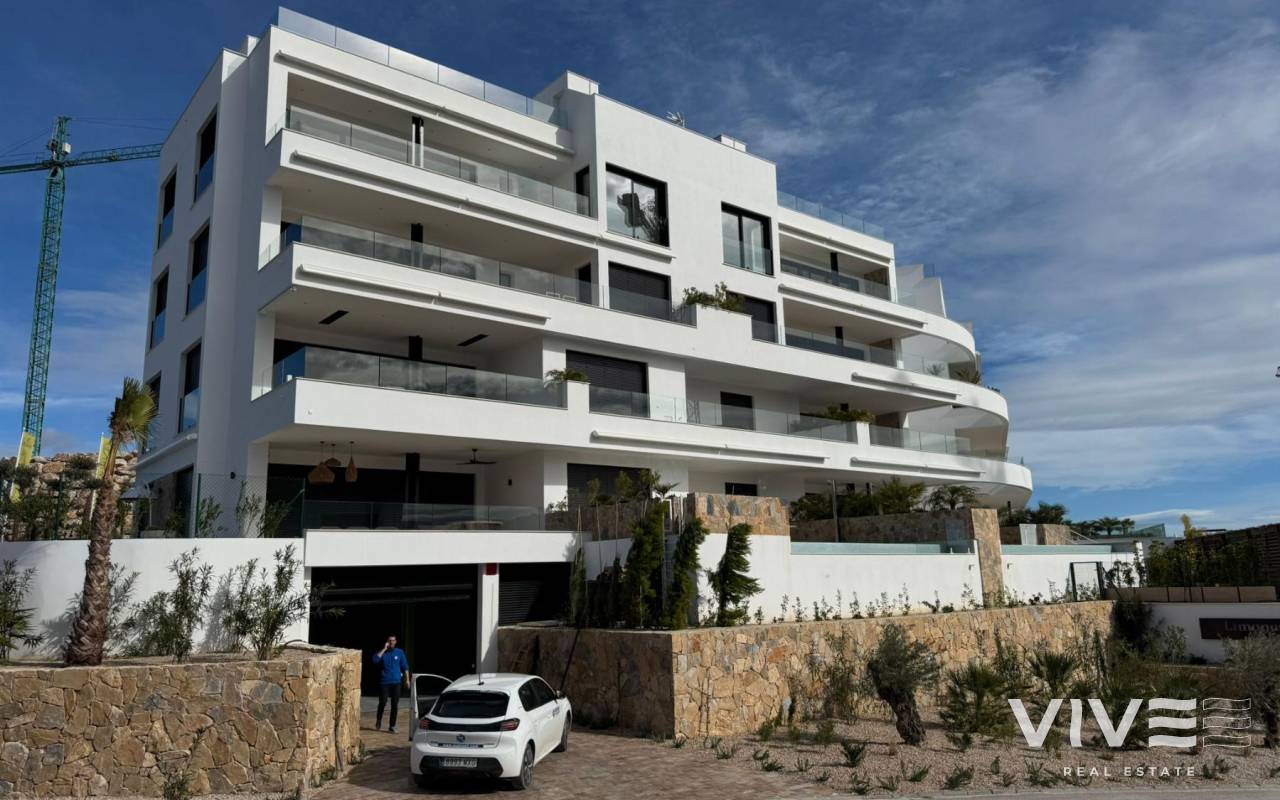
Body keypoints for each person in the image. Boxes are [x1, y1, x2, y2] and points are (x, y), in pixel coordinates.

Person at [371, 634, 410, 733]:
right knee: (383, 702)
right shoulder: (383, 652)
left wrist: (407, 680)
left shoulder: (400, 652)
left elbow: (405, 666)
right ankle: (379, 720)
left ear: (395, 642)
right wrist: (384, 649)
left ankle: (392, 726)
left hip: (397, 682)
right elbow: (375, 660)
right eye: (389, 640)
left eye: (393, 640)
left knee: (394, 704)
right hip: (385, 682)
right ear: (387, 642)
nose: (391, 642)